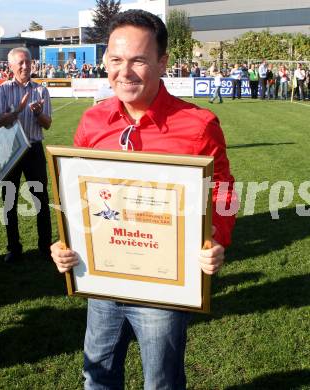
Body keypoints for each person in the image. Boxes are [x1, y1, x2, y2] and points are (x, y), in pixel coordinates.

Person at [50, 10, 235, 389]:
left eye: (138, 60)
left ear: (162, 62)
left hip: (164, 285)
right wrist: (66, 239)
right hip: (103, 276)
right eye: (116, 60)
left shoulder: (198, 124)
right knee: (96, 374)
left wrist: (215, 236)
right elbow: (76, 193)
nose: (125, 71)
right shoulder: (93, 121)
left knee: (161, 382)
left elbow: (224, 190)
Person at [0, 47, 52, 263]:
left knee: (40, 198)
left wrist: (38, 113)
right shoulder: (1, 91)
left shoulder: (41, 91)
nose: (25, 66)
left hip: (34, 149)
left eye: (28, 62)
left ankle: (46, 246)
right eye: (20, 62)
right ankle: (14, 248)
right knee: (9, 199)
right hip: (10, 150)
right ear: (10, 66)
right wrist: (18, 111)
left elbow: (47, 125)